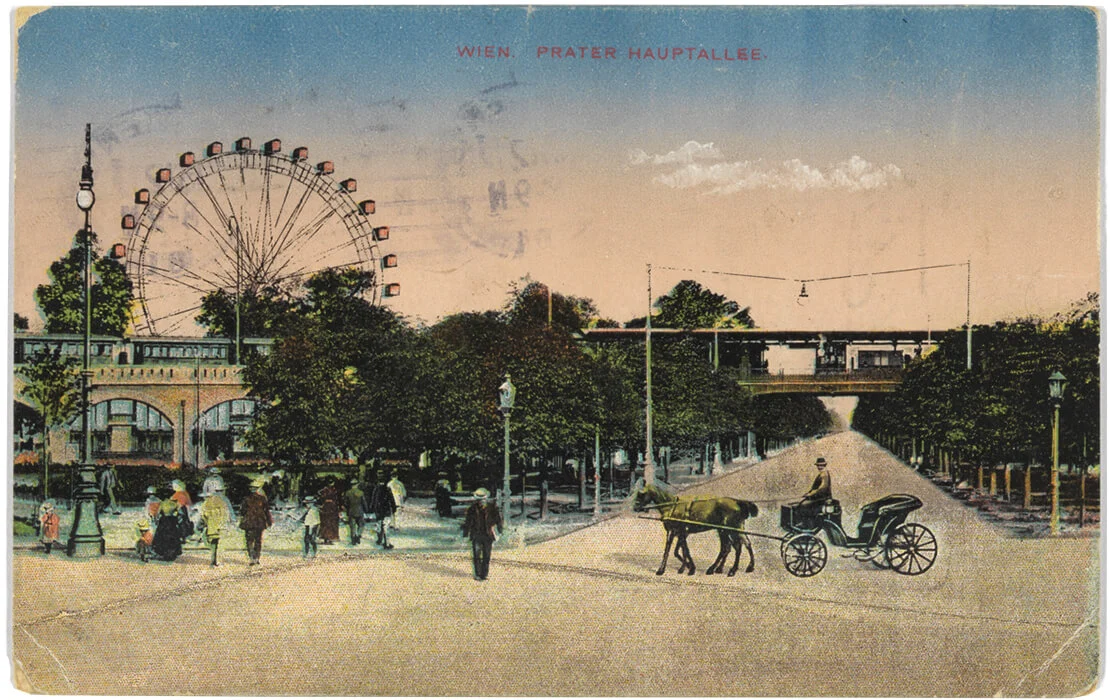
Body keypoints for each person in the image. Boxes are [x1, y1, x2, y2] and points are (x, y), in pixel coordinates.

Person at [462, 488, 502, 581]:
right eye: (479, 500)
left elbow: (498, 520)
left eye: (482, 499)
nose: (480, 502)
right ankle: (477, 574)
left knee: (486, 556)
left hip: (488, 535)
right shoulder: (472, 509)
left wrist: (499, 530)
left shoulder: (492, 508)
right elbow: (468, 522)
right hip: (476, 535)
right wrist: (465, 534)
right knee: (476, 556)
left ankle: (484, 574)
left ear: (485, 498)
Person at [239, 479, 273, 566]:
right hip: (259, 522)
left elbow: (242, 511)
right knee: (258, 540)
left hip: (249, 522)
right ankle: (256, 558)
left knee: (249, 540)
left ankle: (252, 557)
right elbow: (266, 511)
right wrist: (269, 521)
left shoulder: (246, 499)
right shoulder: (262, 499)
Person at [198, 484, 233, 567]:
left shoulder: (205, 504)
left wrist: (207, 524)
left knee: (213, 544)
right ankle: (219, 561)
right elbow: (226, 514)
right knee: (221, 545)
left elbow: (203, 516)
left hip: (211, 527)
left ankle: (213, 561)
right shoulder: (222, 502)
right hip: (221, 526)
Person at [152, 492, 185, 561]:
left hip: (164, 521)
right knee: (173, 537)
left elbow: (157, 515)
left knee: (162, 537)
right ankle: (171, 554)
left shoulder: (162, 503)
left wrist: (156, 522)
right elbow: (181, 514)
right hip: (172, 521)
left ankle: (164, 553)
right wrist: (177, 519)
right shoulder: (174, 503)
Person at [369, 476, 397, 549]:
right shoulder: (387, 489)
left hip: (378, 510)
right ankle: (387, 543)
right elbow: (392, 499)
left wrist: (372, 508)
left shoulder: (376, 489)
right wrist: (394, 508)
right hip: (386, 510)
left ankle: (379, 539)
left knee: (379, 525)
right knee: (386, 527)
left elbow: (373, 499)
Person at [343, 479, 366, 546]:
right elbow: (364, 502)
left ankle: (353, 539)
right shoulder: (361, 492)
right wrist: (366, 509)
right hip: (359, 510)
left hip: (351, 510)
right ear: (357, 484)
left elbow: (346, 503)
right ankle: (358, 535)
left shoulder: (348, 492)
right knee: (361, 525)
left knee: (352, 526)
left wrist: (347, 510)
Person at [318, 479, 340, 545]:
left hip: (329, 508)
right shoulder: (330, 490)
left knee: (328, 523)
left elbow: (320, 496)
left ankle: (328, 538)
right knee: (328, 523)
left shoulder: (329, 490)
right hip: (330, 508)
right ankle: (327, 538)